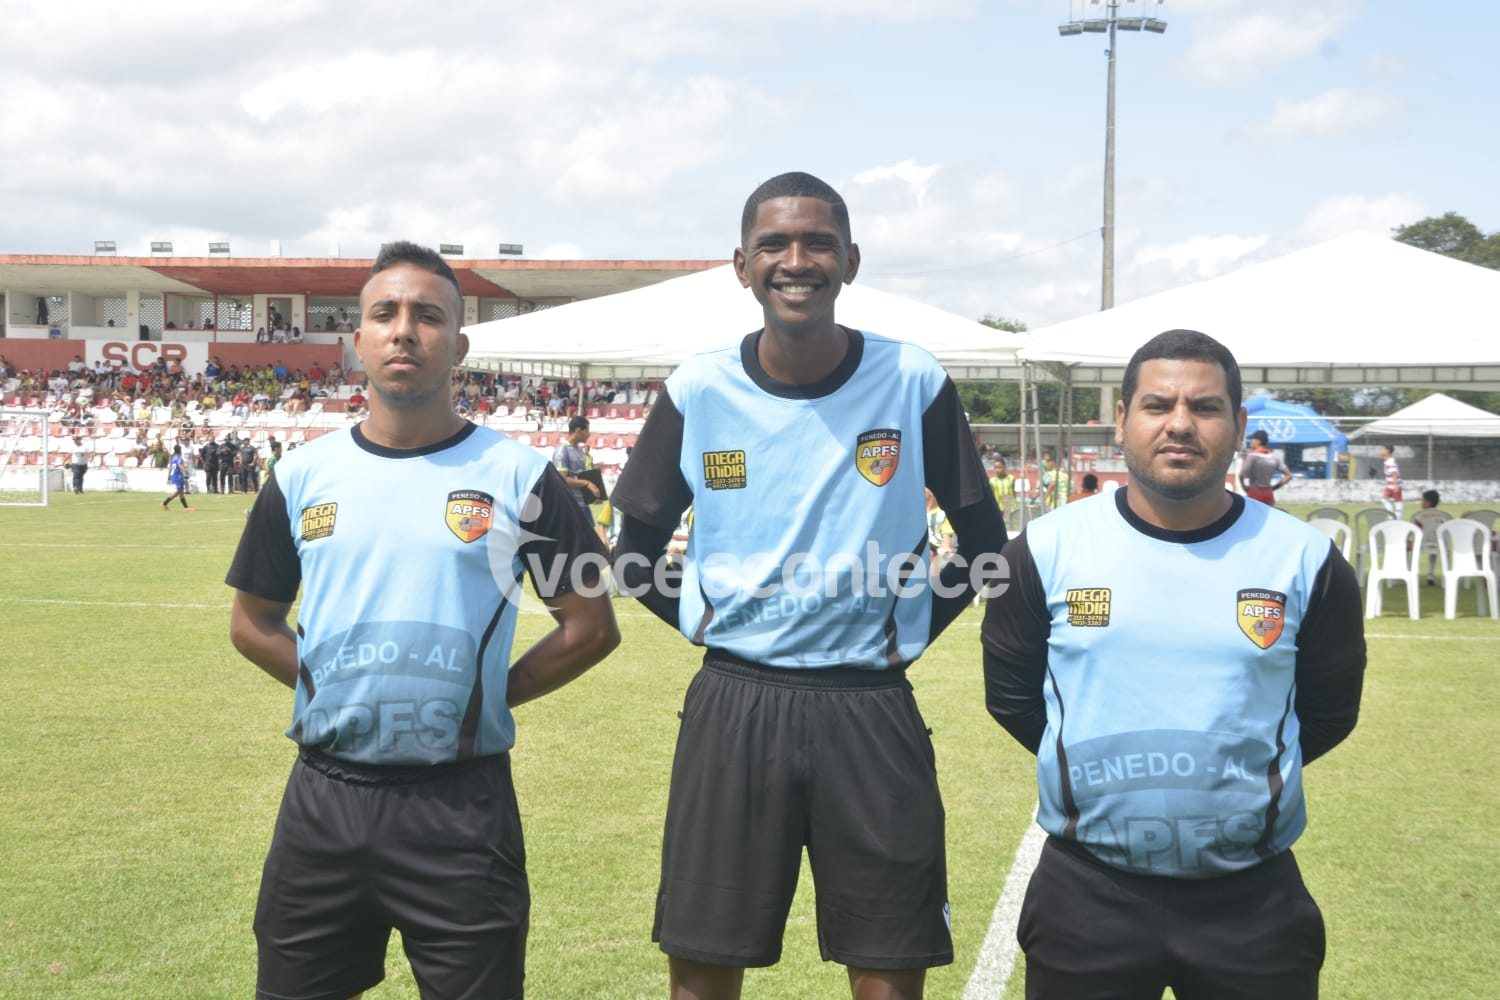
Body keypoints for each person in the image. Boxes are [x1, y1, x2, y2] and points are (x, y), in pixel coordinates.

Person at [610, 171, 1004, 1000]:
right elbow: (632, 553)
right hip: (734, 702)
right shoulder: (700, 389)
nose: (796, 261)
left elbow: (983, 546)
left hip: (871, 705)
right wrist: (709, 620)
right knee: (701, 970)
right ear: (741, 266)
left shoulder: (911, 379)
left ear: (851, 261)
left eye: (819, 243)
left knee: (888, 974)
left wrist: (907, 627)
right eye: (774, 245)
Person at [225, 240, 619, 999]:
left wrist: (487, 693)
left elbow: (591, 627)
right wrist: (324, 685)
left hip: (461, 809)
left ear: (459, 346)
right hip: (323, 803)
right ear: (359, 339)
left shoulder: (521, 476)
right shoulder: (300, 475)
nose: (405, 330)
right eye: (386, 314)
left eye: (429, 316)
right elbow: (252, 622)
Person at [982, 329, 1366, 1000]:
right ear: (1122, 419)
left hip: (1253, 903)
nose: (1180, 424)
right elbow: (1013, 699)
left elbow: (1329, 711)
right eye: (1158, 405)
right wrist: (1110, 770)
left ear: (1238, 425)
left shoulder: (1306, 560)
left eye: (1206, 407)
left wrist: (1227, 779)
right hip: (1085, 895)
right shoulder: (1042, 551)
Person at [553, 415, 598, 516]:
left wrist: (592, 496)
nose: (589, 434)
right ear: (578, 431)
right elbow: (563, 480)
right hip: (570, 506)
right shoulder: (562, 450)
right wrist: (587, 483)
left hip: (583, 504)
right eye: (587, 430)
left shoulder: (580, 450)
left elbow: (580, 476)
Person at [1240, 429, 1292, 505]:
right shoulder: (1274, 457)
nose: (1251, 442)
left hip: (1254, 494)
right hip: (1268, 495)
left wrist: (1244, 486)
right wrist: (1273, 488)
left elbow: (1241, 474)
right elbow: (1289, 476)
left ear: (1258, 441)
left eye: (1252, 439)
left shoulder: (1252, 456)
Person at [1410, 489, 1448, 586]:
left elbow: (1414, 528)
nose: (1421, 503)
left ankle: (1412, 573)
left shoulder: (1420, 515)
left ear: (1428, 502)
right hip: (1439, 543)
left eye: (1423, 500)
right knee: (1433, 554)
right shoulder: (1443, 515)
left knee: (1411, 547)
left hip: (1423, 543)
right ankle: (1430, 575)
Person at [160, 445, 193, 511]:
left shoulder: (173, 458)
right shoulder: (178, 459)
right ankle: (164, 503)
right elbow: (180, 466)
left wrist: (169, 477)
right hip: (178, 476)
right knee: (178, 492)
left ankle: (186, 507)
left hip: (174, 476)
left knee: (181, 492)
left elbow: (170, 468)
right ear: (180, 451)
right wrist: (185, 470)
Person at [1379, 443, 1403, 518]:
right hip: (1390, 486)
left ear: (1387, 451)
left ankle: (1397, 518)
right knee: (1384, 500)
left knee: (1397, 502)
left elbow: (1394, 473)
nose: (1381, 451)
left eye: (1383, 450)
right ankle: (1392, 515)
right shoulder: (1388, 460)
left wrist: (1396, 485)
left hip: (1394, 485)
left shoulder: (1390, 461)